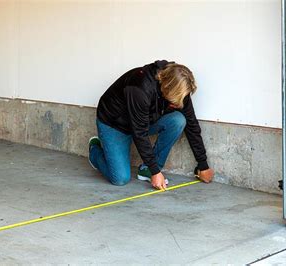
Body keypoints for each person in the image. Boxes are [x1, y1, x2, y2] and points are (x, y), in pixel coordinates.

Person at [88, 60, 214, 190]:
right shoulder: (140, 88)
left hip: (143, 120)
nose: (178, 105)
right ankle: (94, 151)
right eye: (174, 102)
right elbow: (139, 132)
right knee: (120, 179)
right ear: (166, 88)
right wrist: (155, 172)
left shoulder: (178, 88)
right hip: (114, 124)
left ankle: (146, 169)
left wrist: (203, 165)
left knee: (178, 120)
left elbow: (192, 124)